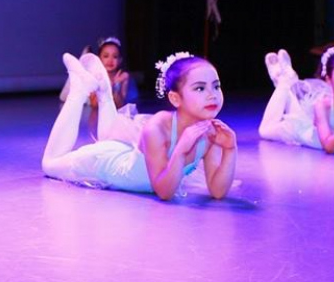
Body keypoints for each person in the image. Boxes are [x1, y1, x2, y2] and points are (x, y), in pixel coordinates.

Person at [43, 51, 237, 200]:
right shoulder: (157, 127)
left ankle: (104, 92)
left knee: (107, 135)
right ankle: (78, 91)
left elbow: (217, 191)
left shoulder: (210, 134)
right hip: (103, 164)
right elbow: (164, 192)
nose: (212, 95)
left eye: (216, 86)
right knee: (49, 164)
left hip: (126, 156)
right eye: (200, 88)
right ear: (175, 98)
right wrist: (181, 150)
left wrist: (230, 150)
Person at [259, 46, 334, 155]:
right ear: (329, 79)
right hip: (301, 133)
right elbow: (329, 147)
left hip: (309, 125)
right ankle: (284, 82)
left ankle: (286, 78)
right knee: (264, 130)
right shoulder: (322, 105)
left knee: (295, 110)